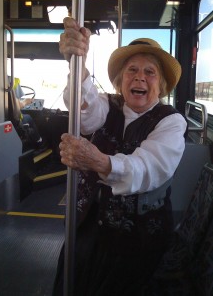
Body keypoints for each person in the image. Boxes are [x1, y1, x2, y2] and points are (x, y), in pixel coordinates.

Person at [52, 17, 188, 296]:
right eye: (132, 70)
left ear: (161, 86)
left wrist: (100, 161)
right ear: (119, 81)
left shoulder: (171, 122)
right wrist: (76, 64)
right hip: (88, 228)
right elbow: (85, 111)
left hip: (139, 240)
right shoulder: (109, 105)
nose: (140, 77)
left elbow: (150, 167)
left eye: (150, 72)